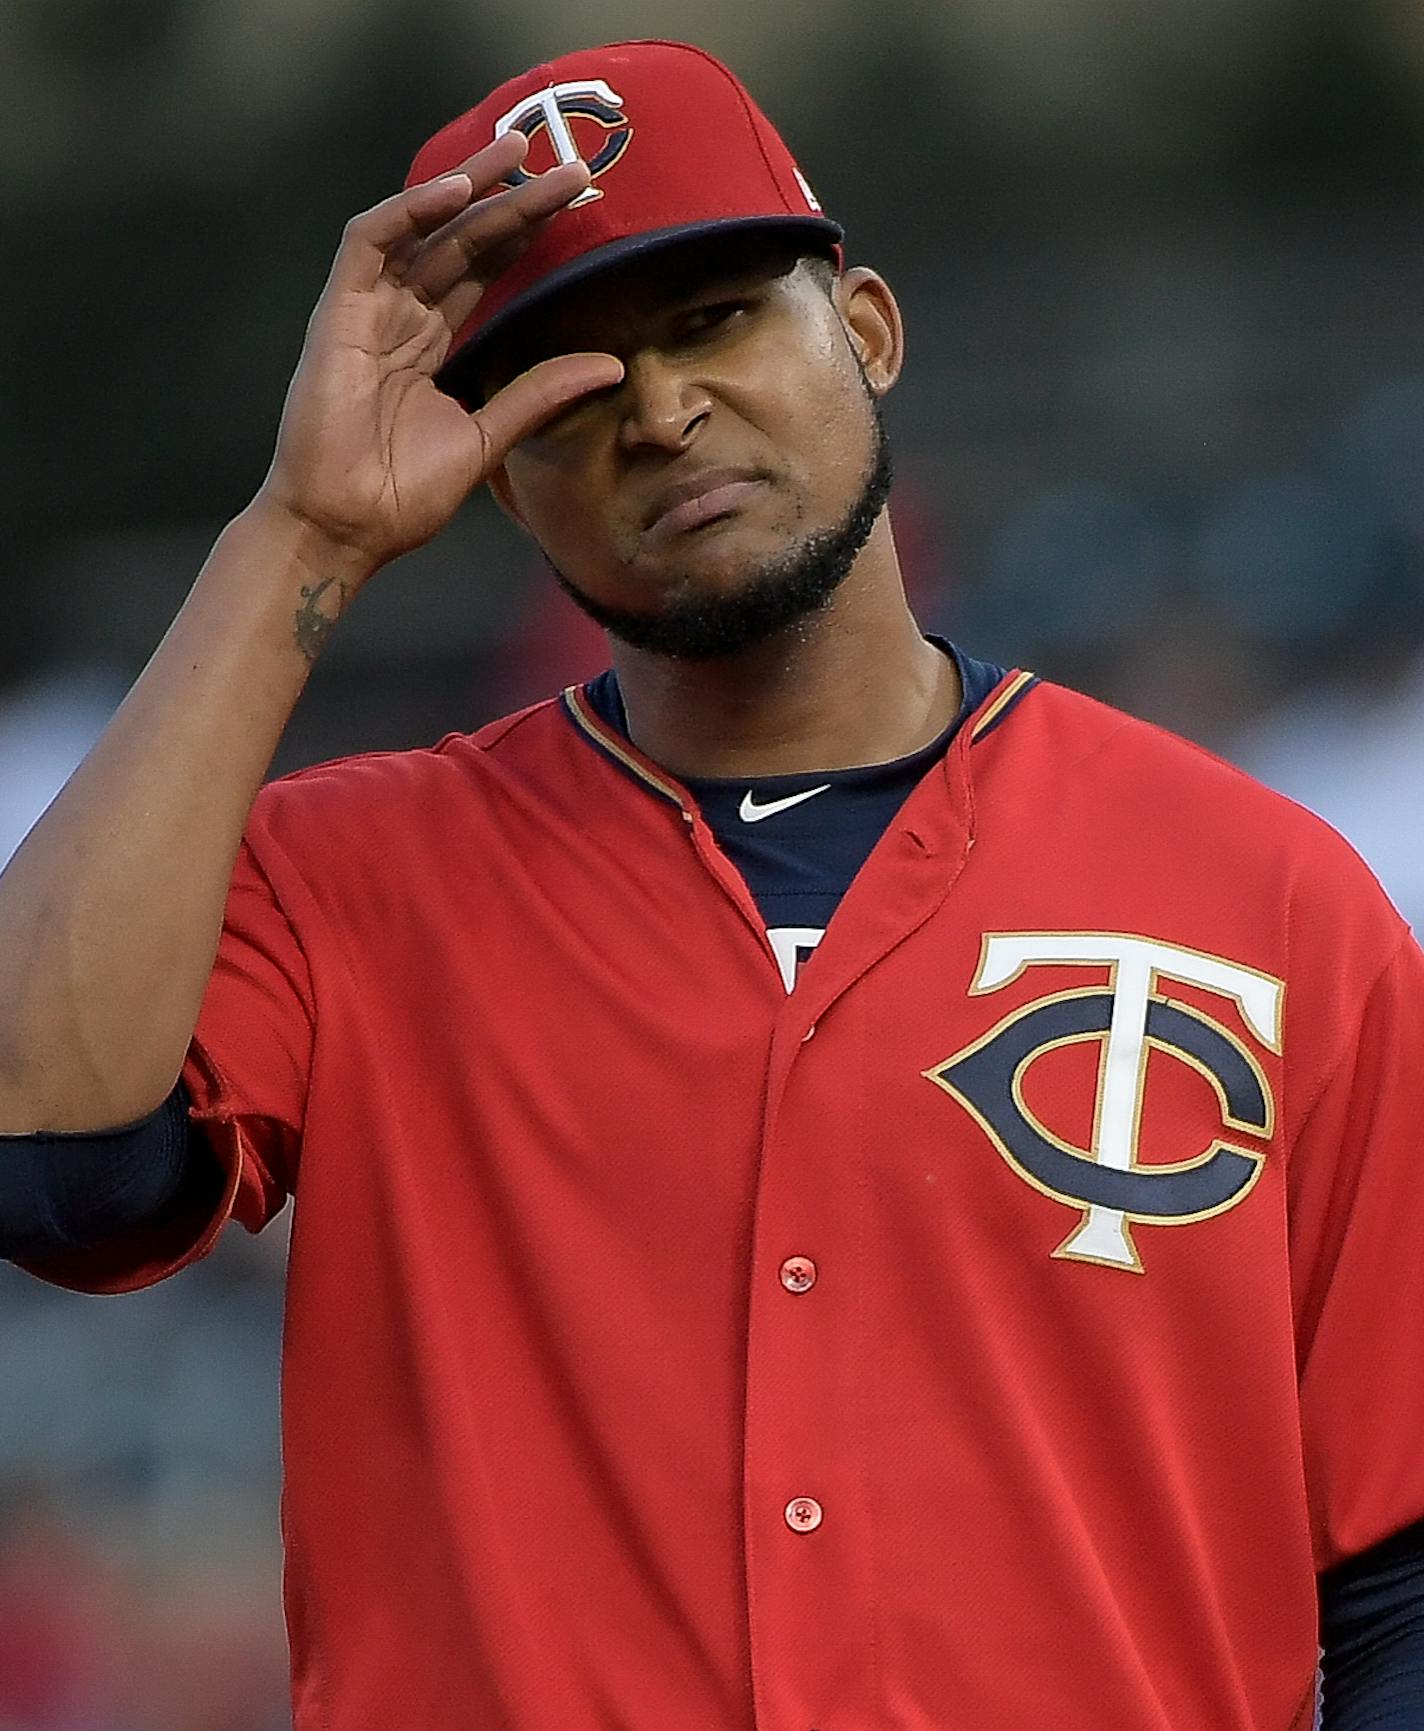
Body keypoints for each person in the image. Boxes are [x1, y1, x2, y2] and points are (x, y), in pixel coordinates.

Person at [0, 39, 1421, 1731]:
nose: (661, 414)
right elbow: (50, 1164)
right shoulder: (344, 882)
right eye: (569, 382)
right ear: (492, 465)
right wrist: (300, 538)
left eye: (717, 318)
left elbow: (1395, 1572)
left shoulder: (1261, 893)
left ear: (870, 329)